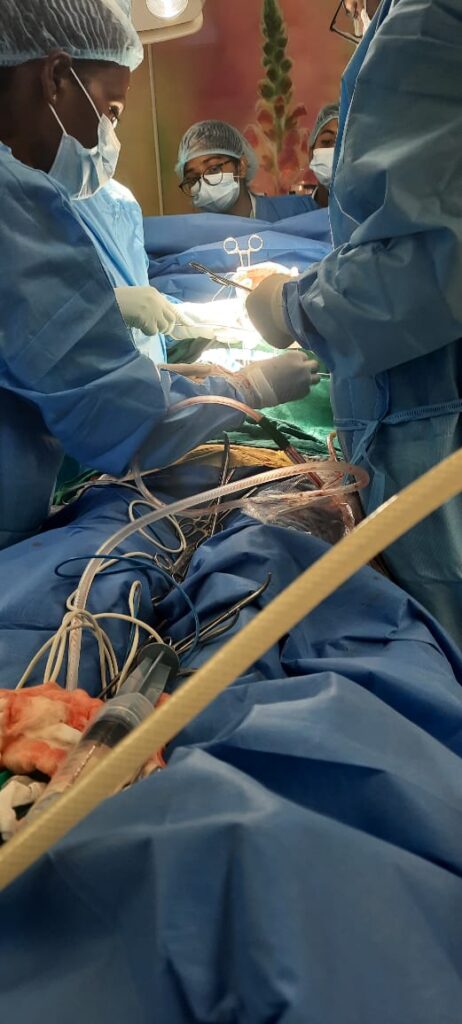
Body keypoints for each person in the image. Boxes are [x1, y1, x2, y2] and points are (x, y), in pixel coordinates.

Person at [0, 0, 318, 551]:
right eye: (111, 111)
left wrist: (167, 376)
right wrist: (248, 386)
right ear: (55, 77)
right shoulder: (12, 199)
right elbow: (118, 420)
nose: (109, 135)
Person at [246, 0, 462, 647]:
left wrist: (293, 308)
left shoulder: (429, 21)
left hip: (433, 425)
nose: (361, 12)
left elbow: (424, 264)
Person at [176, 119, 321, 221]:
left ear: (241, 167)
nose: (204, 183)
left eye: (213, 169)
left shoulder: (297, 212)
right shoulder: (194, 238)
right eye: (193, 178)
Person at [308, 103, 339, 209]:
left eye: (345, 144)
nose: (335, 151)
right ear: (311, 154)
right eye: (327, 141)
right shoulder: (291, 213)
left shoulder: (370, 215)